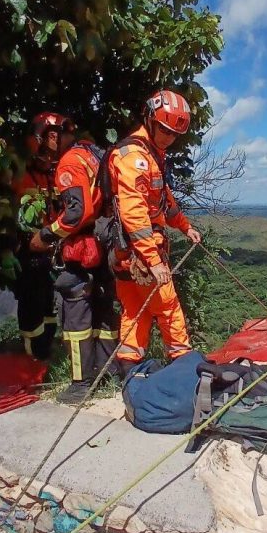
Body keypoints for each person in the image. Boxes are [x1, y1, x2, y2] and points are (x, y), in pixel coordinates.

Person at [106, 89, 201, 376]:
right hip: (141, 254)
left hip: (128, 253)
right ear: (149, 119)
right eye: (164, 130)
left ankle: (128, 367)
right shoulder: (135, 158)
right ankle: (183, 364)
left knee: (135, 310)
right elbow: (134, 212)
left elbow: (163, 202)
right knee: (168, 307)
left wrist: (185, 227)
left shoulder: (149, 155)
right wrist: (155, 261)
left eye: (173, 134)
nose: (168, 138)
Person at [27, 113, 120, 404]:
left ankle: (81, 384)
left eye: (45, 144)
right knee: (105, 308)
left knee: (76, 313)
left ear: (51, 136)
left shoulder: (69, 162)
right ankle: (111, 373)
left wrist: (46, 234)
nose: (46, 152)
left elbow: (76, 213)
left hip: (84, 247)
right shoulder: (92, 152)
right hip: (107, 242)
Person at [10, 112, 64, 360]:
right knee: (33, 309)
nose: (56, 142)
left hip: (49, 254)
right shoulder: (24, 175)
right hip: (31, 254)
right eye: (51, 136)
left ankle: (46, 353)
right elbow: (24, 221)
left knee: (48, 308)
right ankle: (32, 359)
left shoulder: (50, 176)